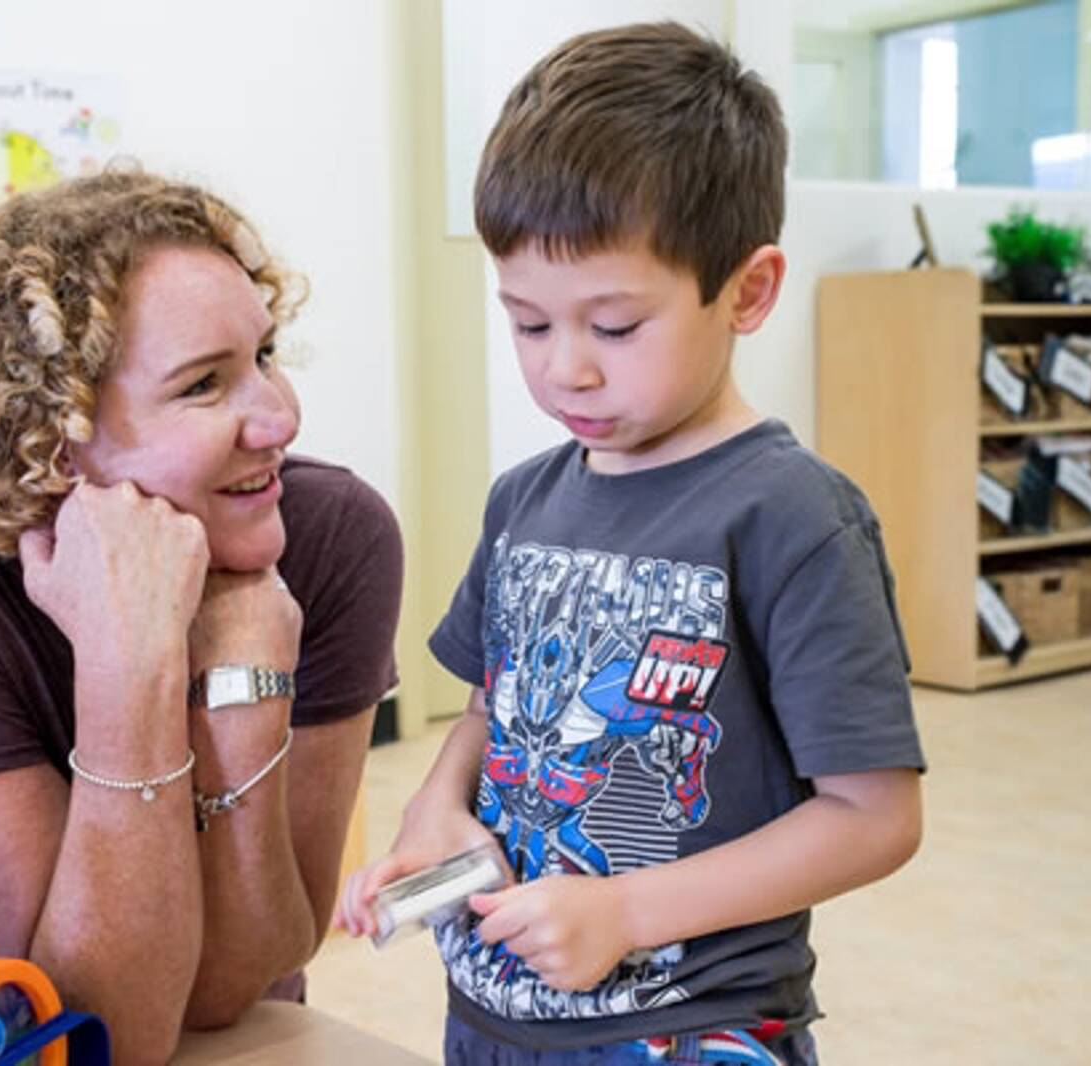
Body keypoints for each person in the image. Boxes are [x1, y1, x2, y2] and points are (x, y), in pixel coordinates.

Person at [335, 22, 923, 1066]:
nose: (567, 370)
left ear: (746, 290)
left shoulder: (791, 516)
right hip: (492, 1015)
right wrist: (434, 809)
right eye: (527, 323)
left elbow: (873, 816)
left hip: (690, 1028)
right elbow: (490, 704)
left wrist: (630, 910)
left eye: (612, 327)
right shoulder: (523, 500)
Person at [0, 168, 403, 1064]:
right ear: (53, 437)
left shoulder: (333, 536)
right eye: (202, 385)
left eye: (264, 358)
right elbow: (96, 1022)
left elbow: (237, 981)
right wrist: (131, 658)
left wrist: (244, 680)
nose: (279, 418)